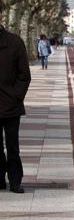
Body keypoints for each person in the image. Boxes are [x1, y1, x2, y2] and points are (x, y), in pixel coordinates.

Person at [0, 21, 31, 193]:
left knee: (13, 146)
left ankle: (15, 180)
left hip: (11, 105)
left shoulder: (14, 42)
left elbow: (24, 75)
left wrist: (16, 95)